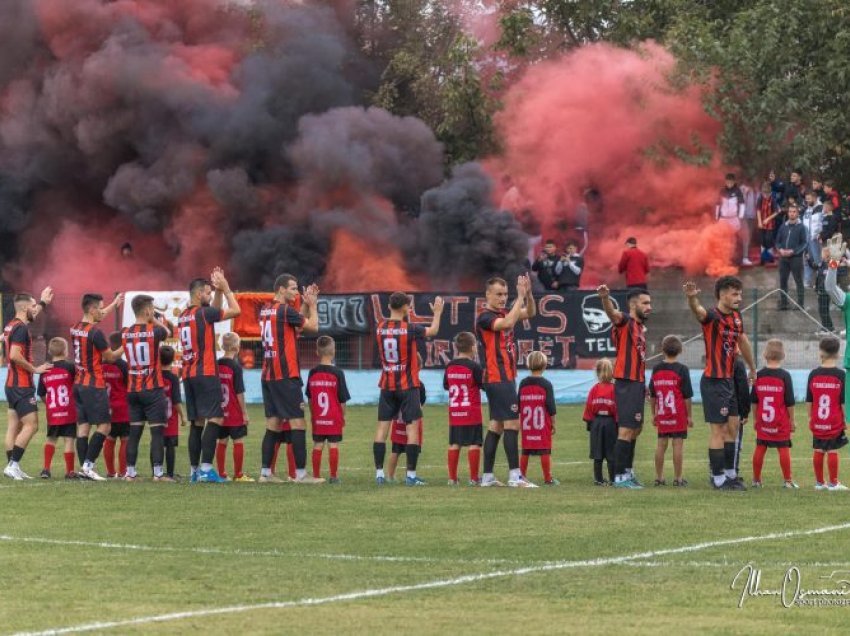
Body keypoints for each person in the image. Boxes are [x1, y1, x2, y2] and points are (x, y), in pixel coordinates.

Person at [683, 276, 757, 491]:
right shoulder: (712, 316)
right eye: (735, 294)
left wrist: (752, 368)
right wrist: (691, 298)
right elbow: (698, 311)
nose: (739, 298)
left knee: (733, 426)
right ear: (722, 295)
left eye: (740, 294)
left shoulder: (736, 317)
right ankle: (717, 479)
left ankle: (730, 474)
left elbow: (742, 341)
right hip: (714, 381)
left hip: (729, 380)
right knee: (719, 430)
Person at [374, 293, 444, 486]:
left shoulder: (379, 327)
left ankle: (379, 473)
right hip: (408, 385)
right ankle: (411, 476)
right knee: (412, 430)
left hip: (387, 384)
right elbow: (433, 330)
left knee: (382, 430)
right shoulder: (410, 329)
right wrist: (437, 313)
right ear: (406, 307)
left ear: (389, 306)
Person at [178, 268, 241, 483]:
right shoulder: (204, 313)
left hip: (188, 374)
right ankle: (206, 469)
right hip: (205, 373)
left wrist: (218, 292)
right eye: (207, 292)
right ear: (198, 294)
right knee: (215, 418)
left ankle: (194, 471)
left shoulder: (184, 315)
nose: (209, 295)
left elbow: (213, 311)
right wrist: (226, 289)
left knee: (197, 423)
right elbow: (236, 310)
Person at [258, 274, 319, 484]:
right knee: (298, 423)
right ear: (281, 289)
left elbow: (296, 324)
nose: (296, 292)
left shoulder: (266, 309)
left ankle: (266, 473)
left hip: (268, 375)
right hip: (286, 376)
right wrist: (313, 305)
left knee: (273, 424)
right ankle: (301, 475)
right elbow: (313, 327)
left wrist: (302, 306)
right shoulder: (284, 310)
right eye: (293, 289)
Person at [477, 275, 537, 488]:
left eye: (505, 294)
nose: (503, 298)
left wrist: (528, 294)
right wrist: (519, 297)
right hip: (497, 377)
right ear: (488, 295)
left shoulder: (503, 312)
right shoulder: (484, 317)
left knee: (496, 426)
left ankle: (487, 477)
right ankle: (515, 476)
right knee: (513, 423)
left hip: (505, 377)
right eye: (499, 294)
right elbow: (509, 322)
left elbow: (530, 312)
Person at [598, 285, 651, 489]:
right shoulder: (626, 322)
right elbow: (613, 314)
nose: (649, 307)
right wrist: (605, 299)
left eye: (649, 303)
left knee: (636, 429)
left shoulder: (639, 328)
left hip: (636, 383)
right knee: (626, 430)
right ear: (633, 304)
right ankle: (619, 477)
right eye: (645, 303)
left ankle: (627, 472)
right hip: (626, 383)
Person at [72, 292, 125, 481]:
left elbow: (98, 317)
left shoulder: (76, 327)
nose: (103, 311)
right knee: (105, 426)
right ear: (92, 309)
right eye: (100, 308)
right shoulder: (96, 333)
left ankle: (83, 468)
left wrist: (113, 304)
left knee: (83, 427)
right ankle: (88, 465)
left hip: (78, 384)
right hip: (94, 384)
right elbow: (110, 357)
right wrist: (126, 344)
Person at [3, 287, 54, 480]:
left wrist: (42, 302)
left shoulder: (11, 325)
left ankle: (11, 467)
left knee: (14, 426)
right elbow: (15, 355)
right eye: (33, 306)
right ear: (25, 308)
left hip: (11, 384)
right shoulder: (21, 329)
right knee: (32, 425)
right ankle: (13, 465)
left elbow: (13, 354)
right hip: (21, 385)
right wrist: (35, 369)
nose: (36, 309)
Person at [121, 294, 171, 481]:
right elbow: (167, 331)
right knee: (157, 431)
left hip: (133, 389)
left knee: (134, 432)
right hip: (152, 388)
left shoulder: (125, 333)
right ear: (148, 310)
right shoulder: (154, 331)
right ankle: (158, 473)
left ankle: (130, 473)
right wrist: (154, 321)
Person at [750, 339, 797, 489]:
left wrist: (755, 419)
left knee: (760, 447)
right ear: (783, 355)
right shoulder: (785, 376)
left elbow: (754, 401)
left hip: (763, 421)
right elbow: (789, 402)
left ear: (765, 355)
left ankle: (756, 481)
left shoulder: (759, 375)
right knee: (783, 449)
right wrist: (792, 421)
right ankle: (788, 481)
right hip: (780, 421)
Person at [648, 335, 693, 487]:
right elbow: (687, 396)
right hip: (677, 414)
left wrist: (654, 414)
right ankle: (678, 478)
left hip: (662, 413)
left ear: (662, 350)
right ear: (680, 350)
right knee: (677, 445)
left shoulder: (656, 369)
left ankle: (659, 478)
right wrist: (690, 416)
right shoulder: (682, 369)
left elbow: (652, 394)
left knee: (661, 444)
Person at [306, 336, 350, 483]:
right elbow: (342, 400)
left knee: (318, 445)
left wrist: (313, 415)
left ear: (317, 352)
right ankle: (333, 476)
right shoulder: (338, 373)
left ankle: (316, 476)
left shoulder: (312, 373)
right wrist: (342, 417)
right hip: (334, 417)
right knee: (333, 445)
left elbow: (310, 398)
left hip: (318, 417)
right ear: (334, 352)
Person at [806, 335, 848, 491]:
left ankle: (819, 483)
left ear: (820, 353)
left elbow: (809, 400)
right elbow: (843, 402)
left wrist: (810, 417)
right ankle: (833, 483)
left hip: (818, 420)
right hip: (834, 421)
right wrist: (846, 419)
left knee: (818, 449)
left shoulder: (813, 374)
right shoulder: (841, 375)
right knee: (832, 450)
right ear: (838, 354)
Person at [443, 332, 484, 486]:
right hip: (472, 413)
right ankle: (474, 478)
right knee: (474, 443)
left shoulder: (450, 366)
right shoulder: (475, 367)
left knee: (455, 443)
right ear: (473, 347)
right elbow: (483, 385)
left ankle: (452, 479)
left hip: (455, 413)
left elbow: (446, 385)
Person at [37, 337, 77, 480]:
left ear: (49, 351)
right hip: (69, 411)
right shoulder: (71, 367)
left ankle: (46, 469)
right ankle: (70, 471)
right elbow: (76, 386)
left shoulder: (44, 370)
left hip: (53, 412)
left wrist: (49, 404)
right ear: (66, 351)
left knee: (51, 439)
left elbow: (41, 393)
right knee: (69, 440)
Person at [215, 332, 252, 482]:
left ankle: (222, 473)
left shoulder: (217, 364)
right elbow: (239, 392)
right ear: (237, 347)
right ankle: (238, 474)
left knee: (222, 441)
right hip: (234, 411)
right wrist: (244, 413)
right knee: (238, 441)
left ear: (223, 346)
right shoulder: (236, 367)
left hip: (220, 412)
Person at [518, 351, 558, 485]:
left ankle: (521, 476)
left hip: (527, 425)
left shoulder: (523, 383)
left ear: (528, 365)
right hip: (542, 425)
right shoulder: (546, 384)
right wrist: (553, 423)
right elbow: (551, 406)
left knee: (525, 450)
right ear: (544, 366)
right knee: (545, 450)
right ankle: (548, 478)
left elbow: (518, 404)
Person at [582, 358, 617, 485]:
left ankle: (598, 479)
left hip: (596, 422)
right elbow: (617, 409)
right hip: (610, 423)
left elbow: (589, 408)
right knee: (611, 453)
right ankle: (613, 479)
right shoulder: (615, 389)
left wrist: (589, 424)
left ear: (597, 373)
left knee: (598, 453)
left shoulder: (594, 389)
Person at [102, 332, 129, 478]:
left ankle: (110, 471)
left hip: (107, 408)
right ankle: (123, 471)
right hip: (123, 407)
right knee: (125, 439)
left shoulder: (101, 364)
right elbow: (128, 386)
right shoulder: (123, 365)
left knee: (109, 439)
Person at [387, 384, 426, 484]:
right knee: (412, 449)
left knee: (395, 450)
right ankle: (409, 476)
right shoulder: (418, 384)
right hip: (412, 420)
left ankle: (390, 476)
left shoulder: (397, 383)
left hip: (398, 420)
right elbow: (421, 401)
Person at [775, 203, 808, 310]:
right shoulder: (783, 226)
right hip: (783, 258)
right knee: (783, 281)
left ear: (798, 214)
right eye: (790, 211)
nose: (791, 214)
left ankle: (800, 304)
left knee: (798, 281)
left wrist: (793, 251)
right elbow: (777, 241)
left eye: (794, 212)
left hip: (796, 258)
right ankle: (784, 303)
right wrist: (780, 249)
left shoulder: (801, 227)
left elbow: (804, 243)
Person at [160, 346, 182, 481]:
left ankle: (156, 471)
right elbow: (176, 400)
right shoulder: (173, 378)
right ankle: (170, 473)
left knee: (156, 443)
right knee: (170, 446)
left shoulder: (155, 376)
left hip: (156, 416)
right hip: (171, 419)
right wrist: (183, 416)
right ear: (173, 359)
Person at [716, 173, 746, 261]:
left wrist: (740, 217)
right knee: (722, 239)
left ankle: (737, 260)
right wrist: (716, 218)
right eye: (727, 181)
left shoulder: (738, 191)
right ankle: (722, 258)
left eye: (731, 182)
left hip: (734, 218)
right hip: (723, 219)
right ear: (725, 181)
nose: (729, 183)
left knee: (735, 239)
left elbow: (742, 204)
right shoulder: (722, 191)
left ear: (734, 182)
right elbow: (717, 205)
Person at [801, 190, 824, 287]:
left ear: (814, 198)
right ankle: (807, 281)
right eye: (806, 199)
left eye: (809, 199)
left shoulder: (821, 208)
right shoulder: (807, 209)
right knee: (807, 259)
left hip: (815, 240)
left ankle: (820, 283)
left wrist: (819, 236)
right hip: (807, 239)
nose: (807, 201)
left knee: (818, 261)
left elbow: (821, 224)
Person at [756, 181, 781, 265]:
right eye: (764, 193)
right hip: (761, 223)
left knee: (769, 241)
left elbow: (776, 212)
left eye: (767, 194)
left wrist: (768, 219)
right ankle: (762, 259)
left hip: (770, 224)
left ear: (770, 192)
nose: (766, 195)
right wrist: (759, 221)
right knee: (762, 241)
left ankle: (770, 258)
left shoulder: (773, 199)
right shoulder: (760, 198)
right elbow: (758, 210)